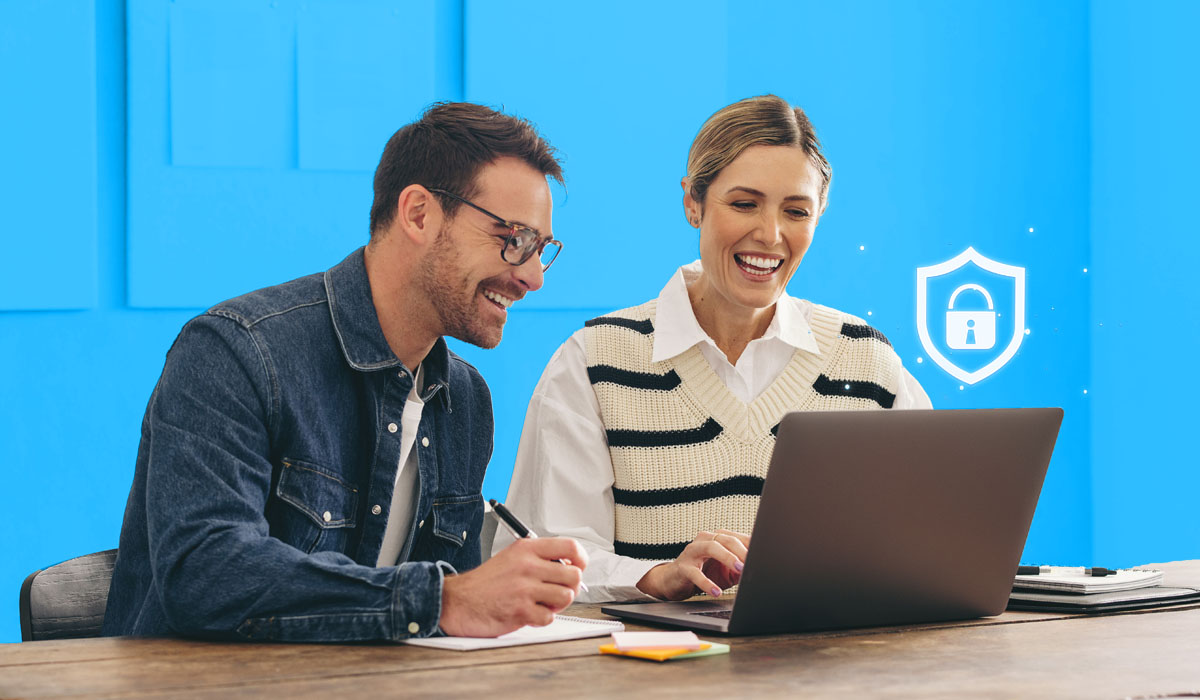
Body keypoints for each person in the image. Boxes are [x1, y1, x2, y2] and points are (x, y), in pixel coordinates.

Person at [103, 102, 587, 642]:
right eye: (515, 239)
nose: (533, 277)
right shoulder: (235, 351)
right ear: (419, 214)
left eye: (541, 250)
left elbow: (442, 632)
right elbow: (204, 572)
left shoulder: (465, 399)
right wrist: (441, 598)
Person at [496, 95, 931, 603]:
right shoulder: (595, 362)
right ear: (693, 203)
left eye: (796, 211)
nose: (770, 235)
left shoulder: (869, 362)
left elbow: (925, 546)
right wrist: (655, 575)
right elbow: (545, 560)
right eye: (744, 204)